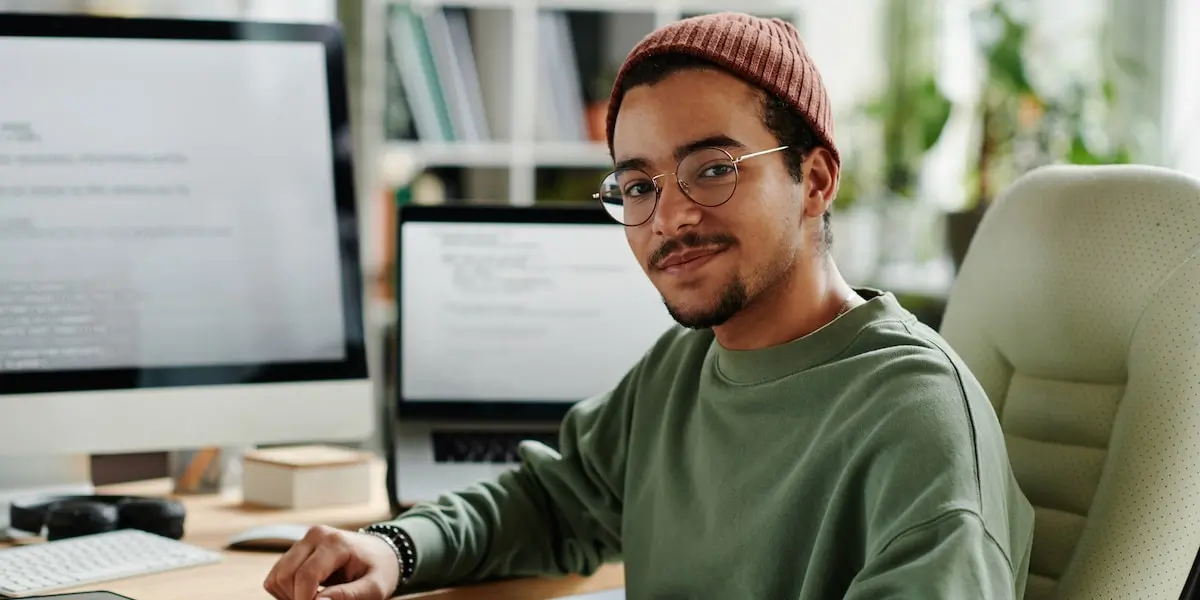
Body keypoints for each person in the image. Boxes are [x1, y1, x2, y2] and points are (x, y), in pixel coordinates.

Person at [264, 12, 1035, 600]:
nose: (669, 218)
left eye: (711, 169)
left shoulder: (916, 422)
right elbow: (554, 501)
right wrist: (395, 549)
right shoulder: (687, 364)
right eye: (638, 186)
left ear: (817, 179)